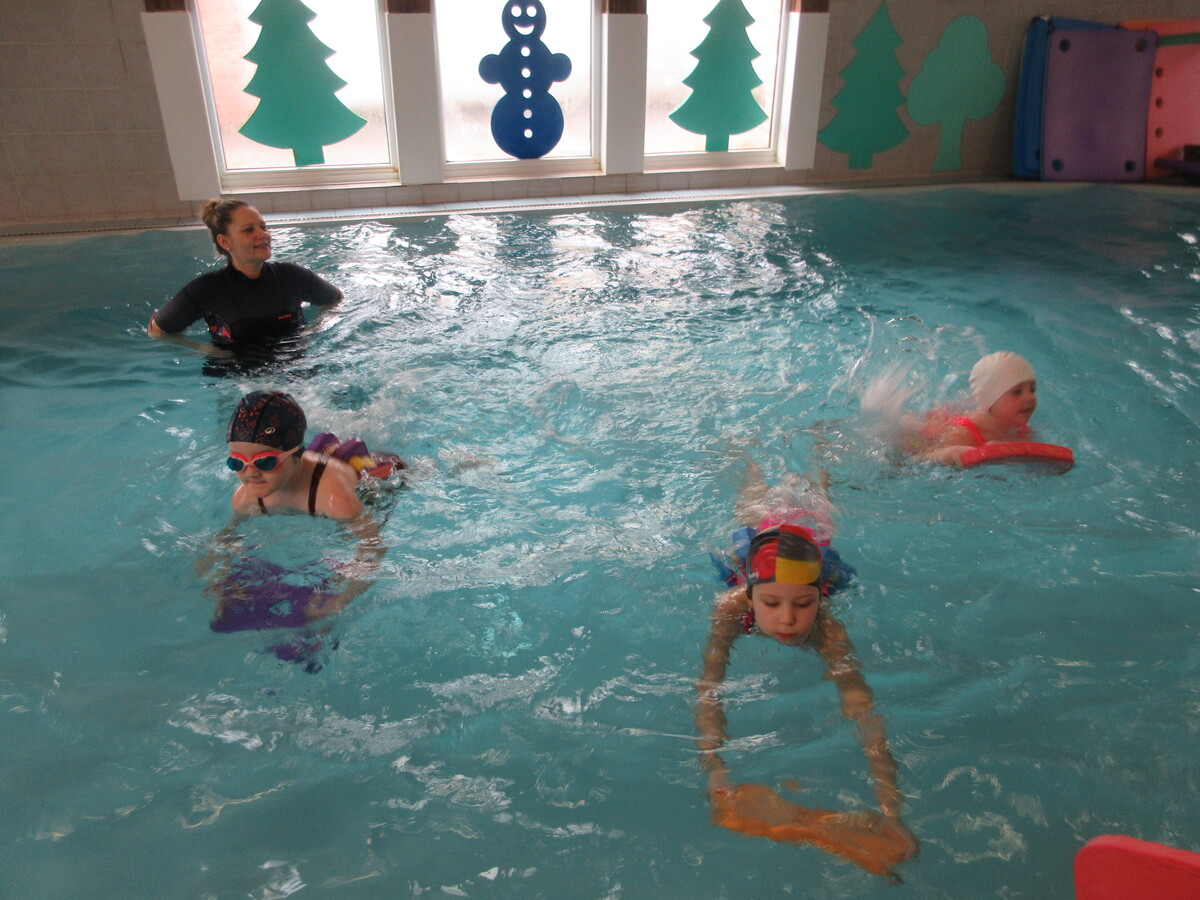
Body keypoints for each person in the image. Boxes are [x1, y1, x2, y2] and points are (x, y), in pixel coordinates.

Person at [697, 463, 918, 878]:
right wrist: (714, 767)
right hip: (765, 538)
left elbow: (862, 709)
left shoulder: (827, 630)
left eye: (803, 604)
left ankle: (820, 463)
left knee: (820, 499)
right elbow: (709, 687)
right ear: (749, 593)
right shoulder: (730, 610)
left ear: (820, 597)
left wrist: (891, 809)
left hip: (807, 535)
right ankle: (746, 462)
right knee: (753, 497)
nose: (787, 620)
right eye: (771, 603)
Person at [201, 391, 401, 663]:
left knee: (394, 482)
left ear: (296, 454)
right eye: (236, 462)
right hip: (306, 473)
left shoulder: (334, 500)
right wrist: (218, 583)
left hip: (367, 479)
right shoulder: (246, 499)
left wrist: (342, 598)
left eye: (265, 462)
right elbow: (223, 541)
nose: (250, 473)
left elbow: (374, 544)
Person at [147, 199, 343, 364]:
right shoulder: (206, 289)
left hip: (298, 369)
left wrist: (315, 331)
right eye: (249, 230)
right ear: (225, 242)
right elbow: (157, 330)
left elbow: (336, 299)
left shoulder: (292, 275)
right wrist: (205, 350)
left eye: (263, 227)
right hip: (238, 379)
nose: (263, 234)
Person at [891, 351, 1039, 466]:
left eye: (1032, 389)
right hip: (921, 437)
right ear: (991, 401)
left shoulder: (1022, 432)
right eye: (1017, 392)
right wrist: (951, 454)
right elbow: (924, 458)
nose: (1030, 398)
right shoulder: (965, 433)